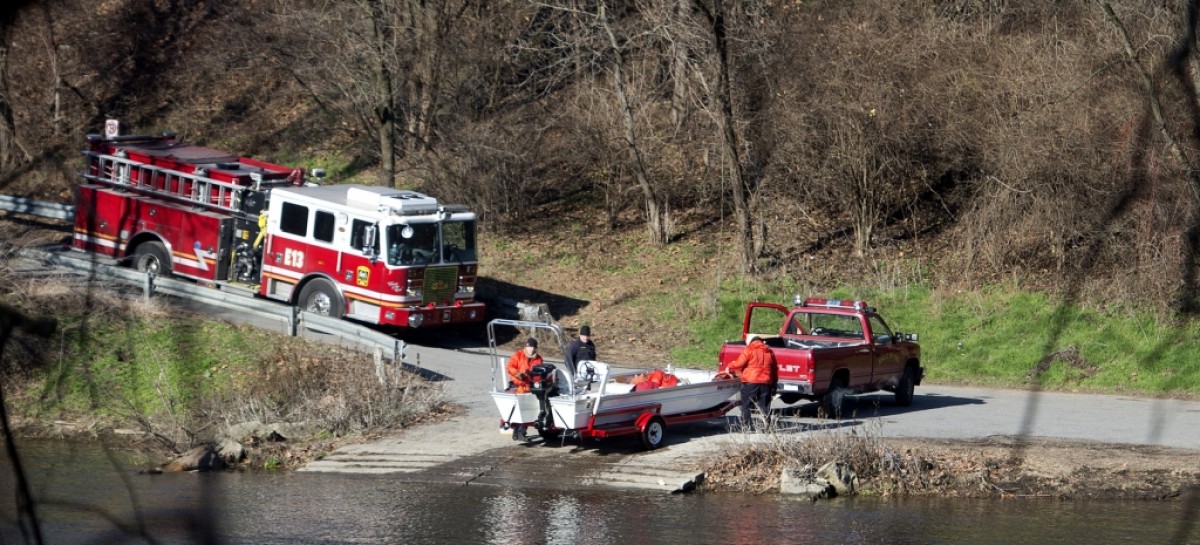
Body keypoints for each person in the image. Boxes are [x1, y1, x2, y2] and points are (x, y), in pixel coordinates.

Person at [726, 335, 777, 431]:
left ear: (750, 342)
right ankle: (766, 427)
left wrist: (729, 366)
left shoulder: (749, 349)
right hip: (766, 381)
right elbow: (774, 369)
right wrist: (774, 383)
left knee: (746, 405)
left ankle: (747, 426)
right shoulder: (769, 351)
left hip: (751, 381)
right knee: (765, 405)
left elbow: (739, 363)